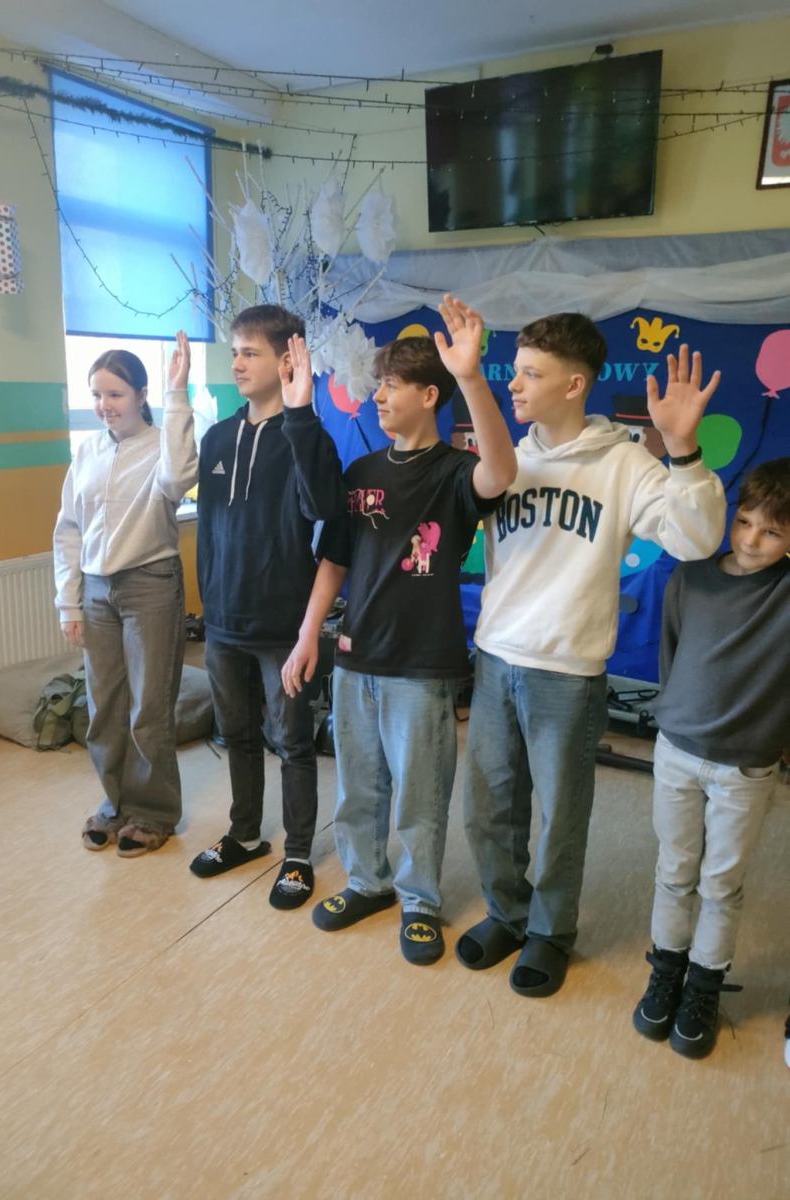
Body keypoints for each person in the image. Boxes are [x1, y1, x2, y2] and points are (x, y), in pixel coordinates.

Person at [457, 318, 727, 996]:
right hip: (495, 658)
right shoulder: (506, 458)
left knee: (561, 817)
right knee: (489, 807)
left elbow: (695, 540)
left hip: (568, 672)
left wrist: (684, 449)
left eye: (532, 373)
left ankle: (550, 932)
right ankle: (507, 913)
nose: (514, 384)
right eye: (514, 370)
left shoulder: (623, 464)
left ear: (575, 384)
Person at [283, 297, 517, 963]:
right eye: (378, 384)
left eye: (391, 385)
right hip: (356, 658)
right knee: (358, 787)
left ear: (429, 395)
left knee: (420, 794)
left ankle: (419, 900)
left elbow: (501, 473)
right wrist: (307, 635)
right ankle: (367, 882)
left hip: (422, 665)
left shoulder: (455, 473)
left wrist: (472, 377)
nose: (378, 396)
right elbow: (334, 559)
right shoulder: (360, 473)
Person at [188, 305, 346, 909]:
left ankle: (298, 854)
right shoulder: (217, 438)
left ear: (285, 362)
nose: (236, 364)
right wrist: (210, 600)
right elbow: (210, 527)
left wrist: (301, 415)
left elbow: (325, 507)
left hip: (282, 624)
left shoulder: (307, 437)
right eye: (234, 352)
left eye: (249, 353)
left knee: (293, 741)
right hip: (224, 621)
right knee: (236, 734)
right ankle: (246, 834)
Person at [632, 458, 789, 1058]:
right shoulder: (693, 576)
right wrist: (676, 714)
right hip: (677, 750)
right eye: (744, 521)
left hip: (745, 767)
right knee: (674, 869)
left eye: (772, 532)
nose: (750, 540)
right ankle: (667, 971)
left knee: (721, 883)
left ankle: (703, 985)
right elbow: (671, 650)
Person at [53, 333, 198, 856]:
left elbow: (179, 479)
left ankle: (153, 813)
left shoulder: (163, 443)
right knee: (104, 706)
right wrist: (69, 602)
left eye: (115, 394)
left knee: (149, 706)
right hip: (97, 592)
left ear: (140, 395)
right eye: (96, 394)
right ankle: (115, 804)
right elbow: (69, 530)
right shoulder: (88, 450)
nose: (104, 405)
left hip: (149, 584)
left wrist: (178, 393)